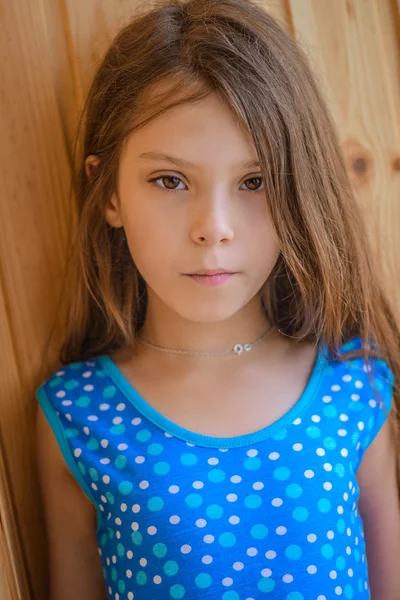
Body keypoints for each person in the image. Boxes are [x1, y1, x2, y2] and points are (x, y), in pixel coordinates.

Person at [34, 0, 400, 598]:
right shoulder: (79, 418)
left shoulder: (353, 384)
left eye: (255, 182)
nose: (214, 227)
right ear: (110, 194)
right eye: (170, 181)